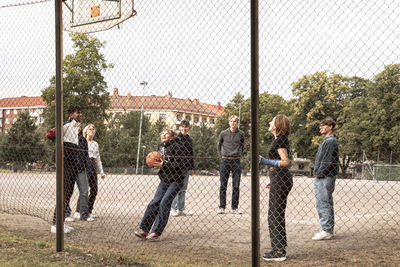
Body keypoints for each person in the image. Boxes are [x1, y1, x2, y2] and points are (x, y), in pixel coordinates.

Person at [134, 128, 185, 241]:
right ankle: (144, 230)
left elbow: (180, 164)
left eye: (166, 133)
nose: (163, 135)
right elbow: (159, 161)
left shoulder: (178, 146)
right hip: (164, 179)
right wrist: (153, 163)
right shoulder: (160, 146)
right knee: (154, 202)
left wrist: (164, 165)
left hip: (176, 180)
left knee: (164, 202)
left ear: (172, 136)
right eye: (162, 133)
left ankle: (156, 232)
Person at [259, 114, 293, 262]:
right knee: (275, 213)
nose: (269, 122)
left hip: (281, 178)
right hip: (278, 178)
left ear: (278, 126)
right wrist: (273, 180)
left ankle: (279, 251)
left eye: (272, 121)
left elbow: (285, 162)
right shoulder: (280, 140)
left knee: (275, 214)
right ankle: (279, 248)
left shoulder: (280, 141)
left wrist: (265, 161)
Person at [50, 105, 81, 234]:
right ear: (71, 114)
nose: (80, 115)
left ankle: (61, 222)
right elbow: (50, 134)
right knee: (63, 192)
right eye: (77, 112)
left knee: (68, 192)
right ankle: (55, 224)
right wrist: (61, 150)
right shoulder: (66, 126)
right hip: (66, 160)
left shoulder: (75, 128)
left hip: (73, 161)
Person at [312, 117, 339, 241]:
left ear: (330, 127)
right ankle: (327, 229)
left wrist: (319, 174)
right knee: (325, 202)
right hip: (326, 176)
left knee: (323, 203)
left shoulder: (330, 141)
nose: (321, 127)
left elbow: (327, 162)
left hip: (325, 177)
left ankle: (327, 230)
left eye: (324, 125)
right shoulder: (328, 141)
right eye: (321, 125)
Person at [73, 124, 105, 220]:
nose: (92, 130)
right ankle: (78, 211)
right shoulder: (83, 141)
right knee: (84, 189)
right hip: (86, 165)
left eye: (93, 129)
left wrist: (101, 172)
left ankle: (89, 210)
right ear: (86, 131)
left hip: (93, 165)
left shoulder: (96, 144)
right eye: (90, 129)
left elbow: (98, 158)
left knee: (94, 190)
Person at [64, 124, 94, 222]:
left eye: (80, 126)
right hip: (70, 168)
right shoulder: (68, 138)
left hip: (81, 169)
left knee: (84, 191)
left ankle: (83, 214)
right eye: (76, 126)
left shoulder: (83, 140)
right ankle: (66, 213)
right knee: (67, 192)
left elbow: (86, 155)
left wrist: (88, 168)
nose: (78, 128)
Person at [217, 115, 245, 214]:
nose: (233, 123)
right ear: (229, 122)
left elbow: (242, 145)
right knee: (223, 185)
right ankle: (222, 207)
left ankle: (234, 207)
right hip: (225, 161)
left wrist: (240, 154)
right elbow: (219, 145)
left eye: (235, 121)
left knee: (236, 185)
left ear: (237, 123)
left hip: (236, 161)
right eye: (231, 121)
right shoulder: (223, 133)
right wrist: (221, 155)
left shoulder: (241, 134)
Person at [170, 120, 195, 217]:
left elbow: (191, 154)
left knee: (183, 189)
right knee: (176, 188)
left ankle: (181, 208)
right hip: (177, 168)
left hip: (186, 167)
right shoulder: (176, 139)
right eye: (182, 127)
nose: (184, 129)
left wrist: (192, 167)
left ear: (189, 128)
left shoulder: (189, 140)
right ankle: (173, 208)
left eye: (186, 127)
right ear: (180, 127)